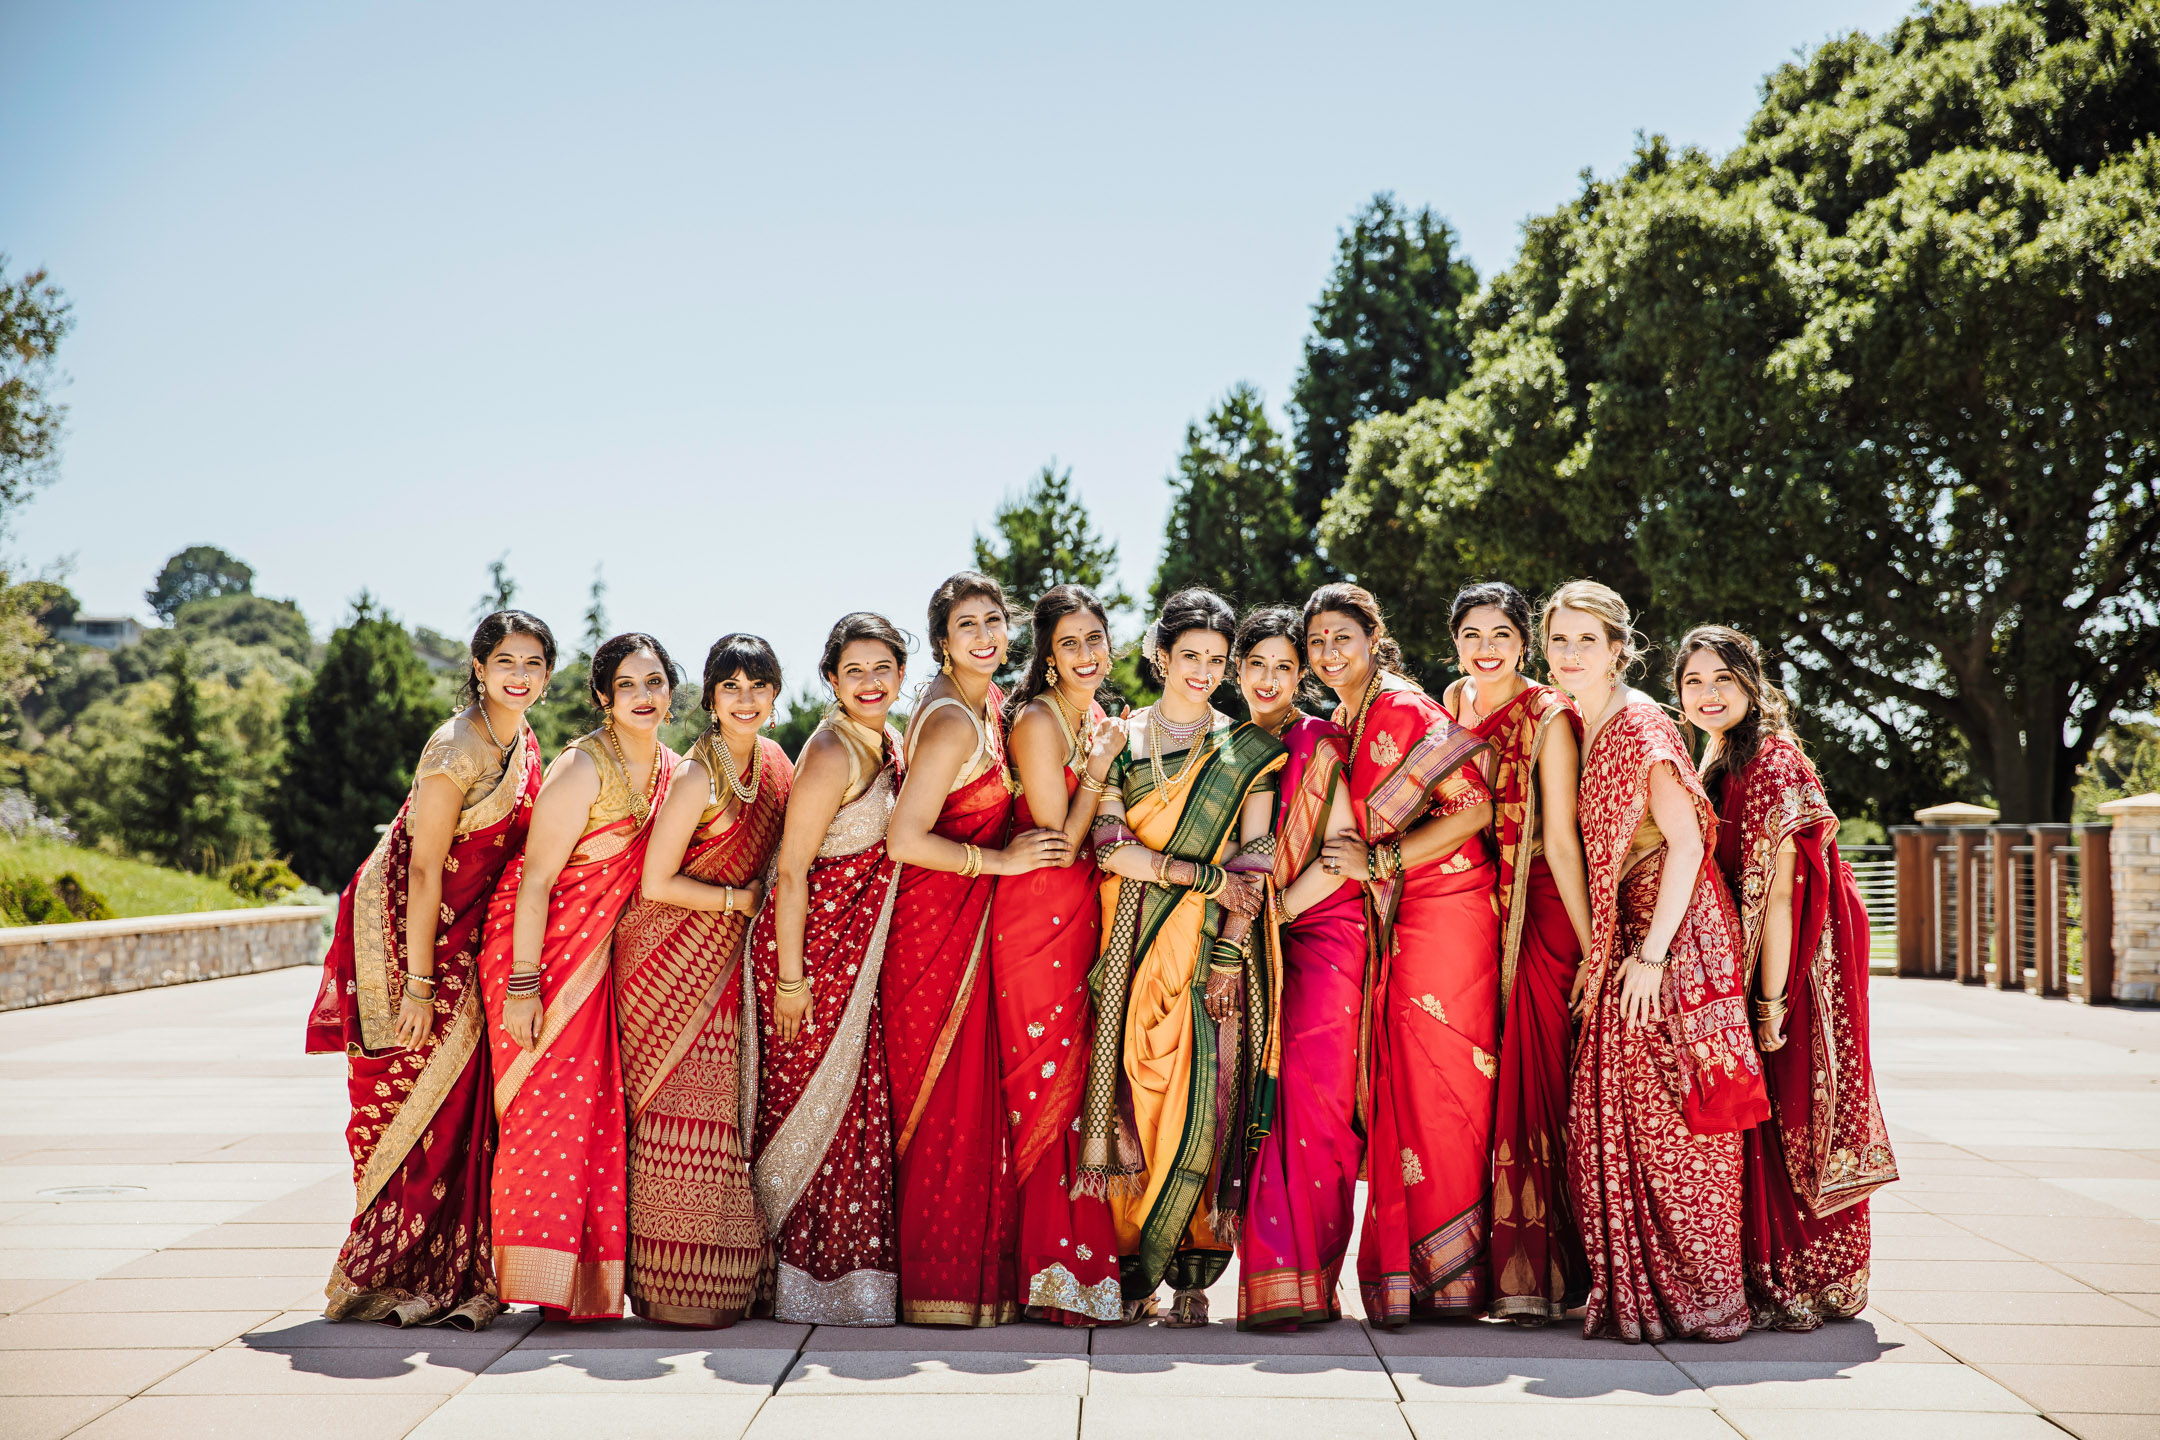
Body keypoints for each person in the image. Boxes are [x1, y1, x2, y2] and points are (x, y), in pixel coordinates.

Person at [307, 611, 554, 1328]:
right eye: (506, 661)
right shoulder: (455, 747)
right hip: (407, 942)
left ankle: (463, 1271)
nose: (520, 675)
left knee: (467, 1109)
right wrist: (417, 985)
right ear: (479, 669)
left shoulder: (524, 741)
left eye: (534, 663)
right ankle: (387, 1272)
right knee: (416, 1102)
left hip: (473, 939)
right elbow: (421, 866)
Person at [1546, 581, 1767, 1343]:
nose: (1570, 654)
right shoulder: (1578, 722)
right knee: (1610, 1116)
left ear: (1618, 649)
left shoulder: (1639, 724)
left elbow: (1688, 842)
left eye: (1586, 640)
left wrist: (1649, 955)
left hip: (1674, 937)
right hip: (1629, 936)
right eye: (1559, 640)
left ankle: (1705, 1299)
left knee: (1678, 1122)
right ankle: (1640, 1289)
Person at [1675, 625, 1896, 1331]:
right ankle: (1771, 1270)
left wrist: (1769, 1001)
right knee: (1766, 1107)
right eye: (1694, 683)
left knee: (1794, 1097)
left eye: (1723, 681)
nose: (1708, 695)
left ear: (1752, 685)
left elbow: (1780, 892)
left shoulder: (1772, 762)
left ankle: (1803, 1279)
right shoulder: (1717, 756)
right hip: (1767, 943)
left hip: (1802, 952)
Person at [1078, 587, 1284, 1328]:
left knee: (1207, 1094)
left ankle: (1194, 1270)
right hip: (1127, 943)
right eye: (1189, 655)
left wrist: (1230, 951)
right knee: (1135, 1097)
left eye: (1216, 660)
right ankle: (1135, 1273)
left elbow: (1255, 859)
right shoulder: (1118, 739)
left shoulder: (1247, 752)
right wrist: (1199, 875)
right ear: (1159, 655)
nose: (1202, 671)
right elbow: (1108, 850)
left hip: (1208, 953)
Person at [1304, 582, 1498, 1328]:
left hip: (1445, 913)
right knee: (1407, 1089)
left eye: (1340, 638)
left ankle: (1460, 1274)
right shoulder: (1344, 721)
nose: (1328, 654)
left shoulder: (1404, 709)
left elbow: (1473, 806)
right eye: (1317, 642)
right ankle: (1420, 1272)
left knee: (1448, 1085)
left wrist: (1382, 866)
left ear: (1373, 634)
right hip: (1400, 916)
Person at [481, 633, 682, 1321]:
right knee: (545, 1114)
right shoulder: (581, 767)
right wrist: (523, 984)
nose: (644, 696)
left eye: (655, 682)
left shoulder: (671, 768)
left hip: (601, 962)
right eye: (628, 685)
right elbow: (536, 880)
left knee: (596, 1118)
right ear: (603, 696)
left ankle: (584, 1289)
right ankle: (532, 1278)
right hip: (538, 955)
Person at [883, 571, 1067, 1326]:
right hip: (933, 925)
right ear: (941, 642)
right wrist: (1002, 864)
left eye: (995, 620)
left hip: (970, 919)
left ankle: (964, 1279)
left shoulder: (987, 702)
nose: (987, 635)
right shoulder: (955, 720)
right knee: (942, 1104)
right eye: (969, 625)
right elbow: (903, 838)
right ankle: (938, 1284)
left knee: (969, 1102)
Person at [614, 634, 795, 1327]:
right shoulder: (699, 777)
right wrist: (737, 903)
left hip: (732, 961)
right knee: (677, 1115)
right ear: (712, 702)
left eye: (758, 686)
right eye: (730, 688)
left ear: (775, 696)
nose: (745, 700)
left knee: (730, 1113)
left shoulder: (776, 763)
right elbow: (656, 882)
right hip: (669, 956)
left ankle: (731, 1279)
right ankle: (671, 1290)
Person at [744, 613, 909, 1325]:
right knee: (797, 1113)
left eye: (882, 669)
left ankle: (847, 1283)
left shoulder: (894, 744)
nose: (870, 683)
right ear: (833, 681)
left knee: (852, 1113)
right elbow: (791, 870)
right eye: (855, 671)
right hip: (804, 956)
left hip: (857, 959)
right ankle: (776, 1280)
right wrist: (790, 978)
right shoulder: (833, 753)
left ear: (901, 674)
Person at [1440, 582, 1594, 1325]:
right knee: (1482, 1079)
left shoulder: (1547, 716)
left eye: (1501, 633)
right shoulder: (1452, 700)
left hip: (1540, 908)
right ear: (1455, 643)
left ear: (1523, 644)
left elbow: (1562, 839)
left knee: (1534, 1082)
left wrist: (1593, 948)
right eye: (1472, 634)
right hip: (1469, 909)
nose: (1486, 648)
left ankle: (1552, 1271)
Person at [1230, 606, 1367, 1331]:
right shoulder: (1225, 747)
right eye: (1257, 665)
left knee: (1314, 1101)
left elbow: (1342, 847)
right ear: (1236, 669)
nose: (1271, 679)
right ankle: (1275, 1280)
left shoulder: (1320, 741)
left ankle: (1313, 1275)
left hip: (1320, 931)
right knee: (1255, 1105)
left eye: (1286, 666)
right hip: (1247, 936)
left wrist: (1274, 912)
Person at [993, 584, 1127, 1324]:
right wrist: (1103, 768)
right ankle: (1044, 1271)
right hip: (1036, 915)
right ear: (1047, 655)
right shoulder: (1041, 721)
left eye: (1095, 640)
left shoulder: (1100, 717)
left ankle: (1086, 1268)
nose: (1085, 655)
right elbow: (1060, 835)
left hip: (1087, 914)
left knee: (1085, 1082)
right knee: (1043, 1085)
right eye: (1069, 643)